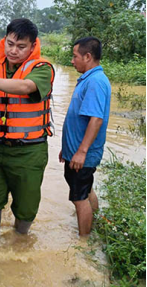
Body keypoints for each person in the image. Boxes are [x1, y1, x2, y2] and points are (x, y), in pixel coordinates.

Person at [0, 18, 55, 240]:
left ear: (33, 46)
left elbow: (25, 87)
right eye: (10, 44)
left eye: (21, 47)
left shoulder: (42, 69)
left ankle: (20, 242)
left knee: (26, 206)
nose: (13, 51)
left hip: (28, 151)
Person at [60, 37, 109, 236]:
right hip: (77, 151)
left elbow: (96, 119)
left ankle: (84, 241)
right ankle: (93, 222)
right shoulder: (89, 79)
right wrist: (69, 148)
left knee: (79, 198)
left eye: (75, 56)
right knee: (86, 191)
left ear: (88, 57)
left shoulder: (95, 82)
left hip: (83, 154)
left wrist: (81, 152)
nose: (72, 61)